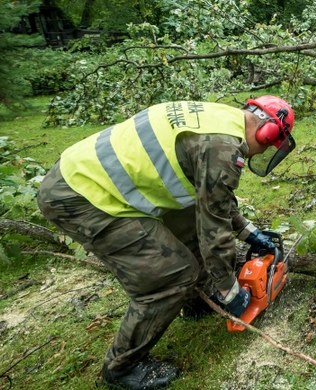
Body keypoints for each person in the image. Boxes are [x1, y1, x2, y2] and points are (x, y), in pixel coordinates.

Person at [36, 96, 296, 390]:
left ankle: (196, 302)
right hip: (81, 197)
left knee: (189, 230)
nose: (263, 151)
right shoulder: (225, 147)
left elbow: (211, 200)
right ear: (268, 133)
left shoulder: (220, 118)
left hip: (80, 173)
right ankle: (122, 367)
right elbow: (214, 226)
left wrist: (248, 232)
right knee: (171, 275)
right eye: (270, 145)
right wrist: (229, 289)